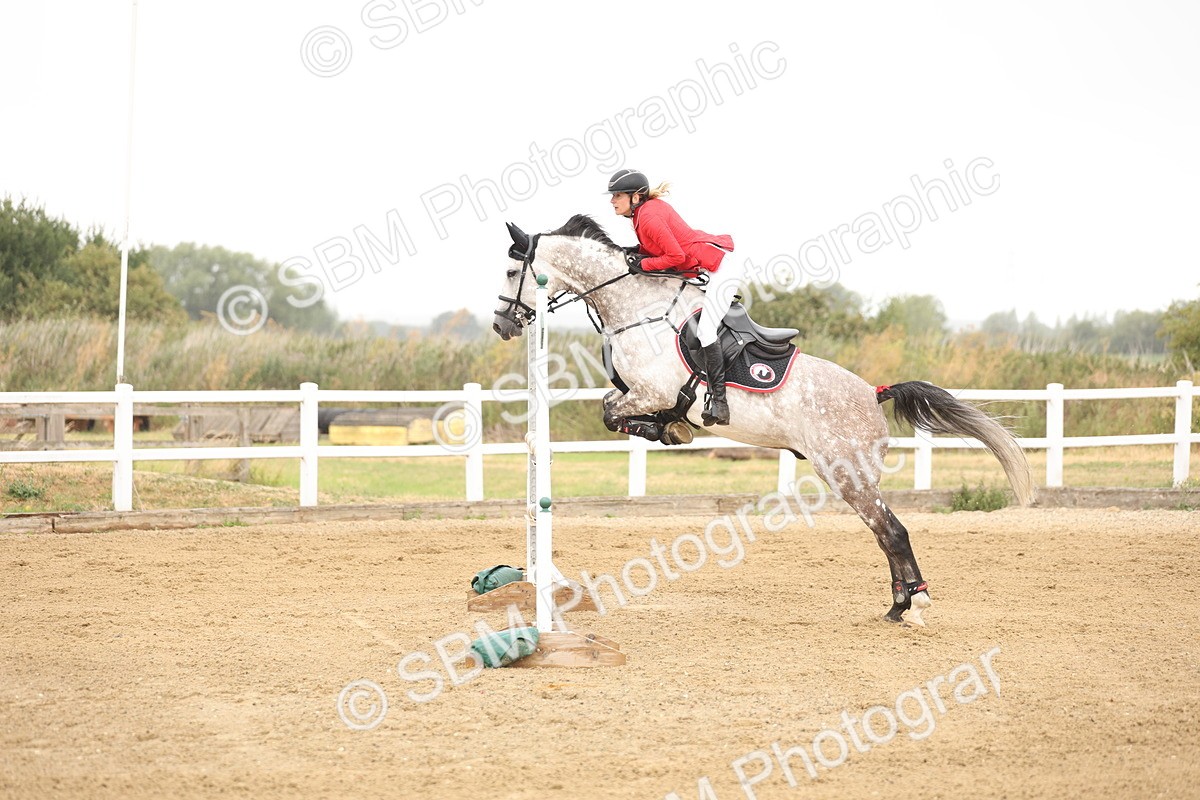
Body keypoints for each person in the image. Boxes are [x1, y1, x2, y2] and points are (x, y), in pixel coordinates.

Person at [606, 168, 739, 426]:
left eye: (617, 195)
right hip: (700, 267)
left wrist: (643, 265)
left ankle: (720, 403)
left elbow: (676, 256)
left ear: (636, 197)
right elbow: (655, 248)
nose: (612, 200)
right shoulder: (641, 215)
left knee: (706, 331)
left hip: (720, 268)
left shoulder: (648, 217)